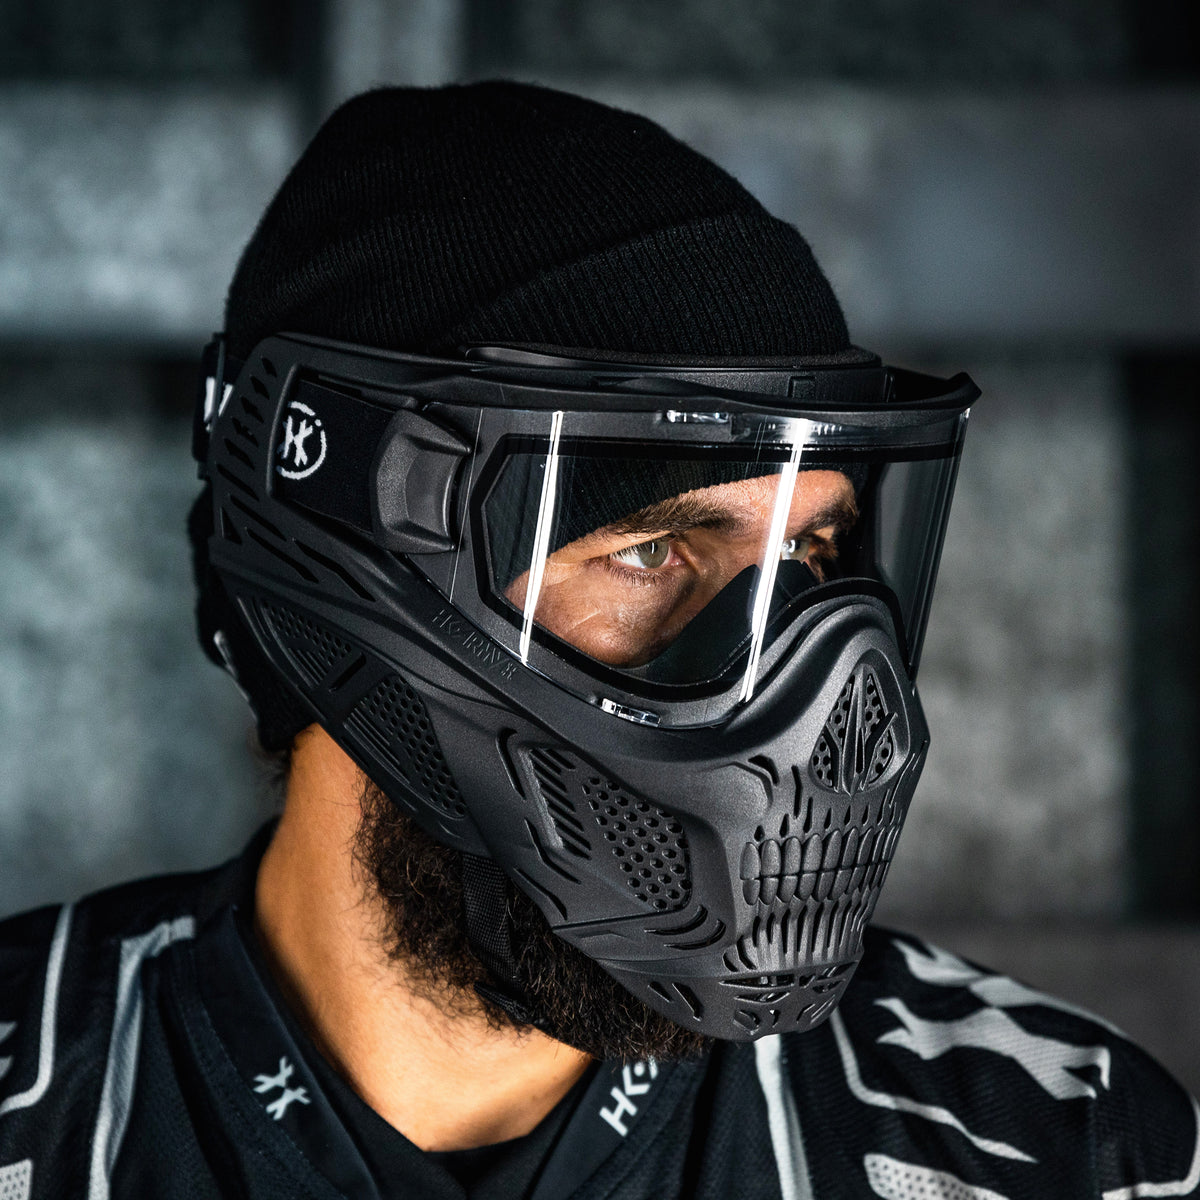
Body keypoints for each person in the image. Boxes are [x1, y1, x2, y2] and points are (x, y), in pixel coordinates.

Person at [0, 81, 1195, 1200]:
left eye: (816, 553)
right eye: (651, 550)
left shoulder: (1061, 1150)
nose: (802, 694)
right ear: (338, 590)